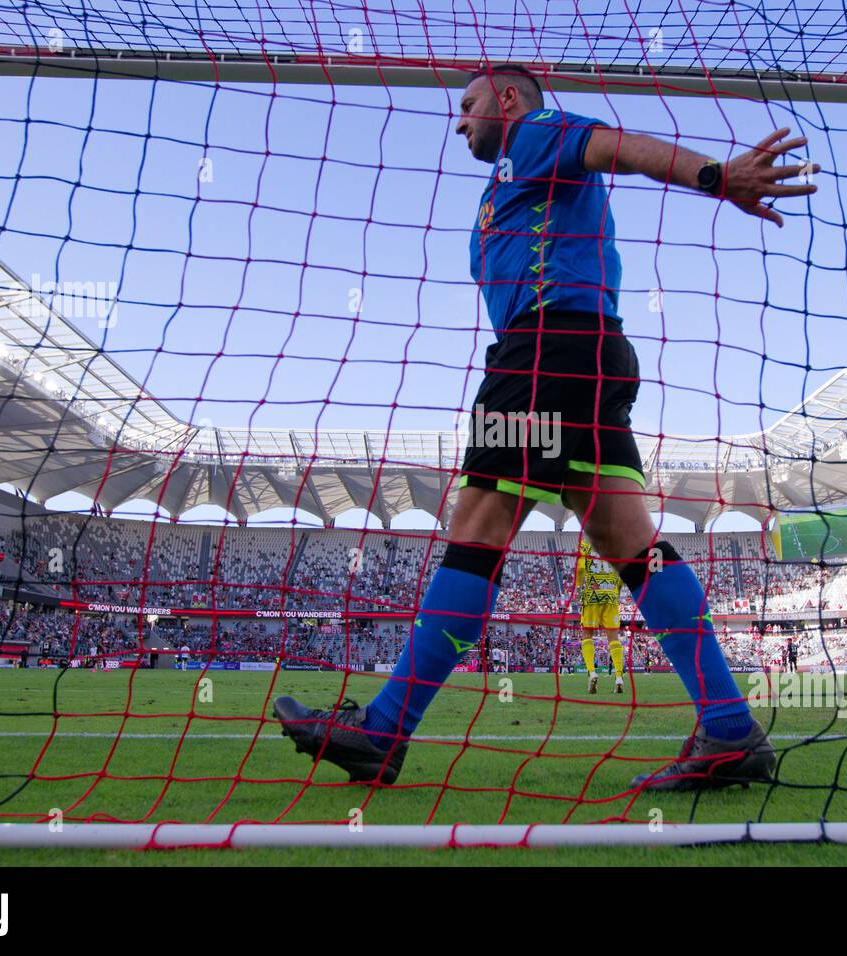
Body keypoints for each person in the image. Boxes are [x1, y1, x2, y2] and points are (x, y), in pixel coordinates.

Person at [274, 62, 817, 791]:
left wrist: (718, 177)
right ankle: (728, 730)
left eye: (467, 105)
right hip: (587, 356)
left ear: (506, 99)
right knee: (628, 542)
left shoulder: (535, 133)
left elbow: (618, 147)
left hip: (543, 356)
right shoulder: (503, 193)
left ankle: (383, 731)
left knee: (477, 527)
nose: (459, 121)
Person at [576, 537, 626, 694]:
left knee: (587, 635)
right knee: (613, 638)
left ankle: (592, 672)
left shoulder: (585, 544)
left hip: (592, 596)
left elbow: (580, 569)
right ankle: (618, 677)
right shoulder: (615, 545)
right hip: (610, 597)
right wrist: (616, 591)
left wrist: (578, 589)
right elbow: (622, 572)